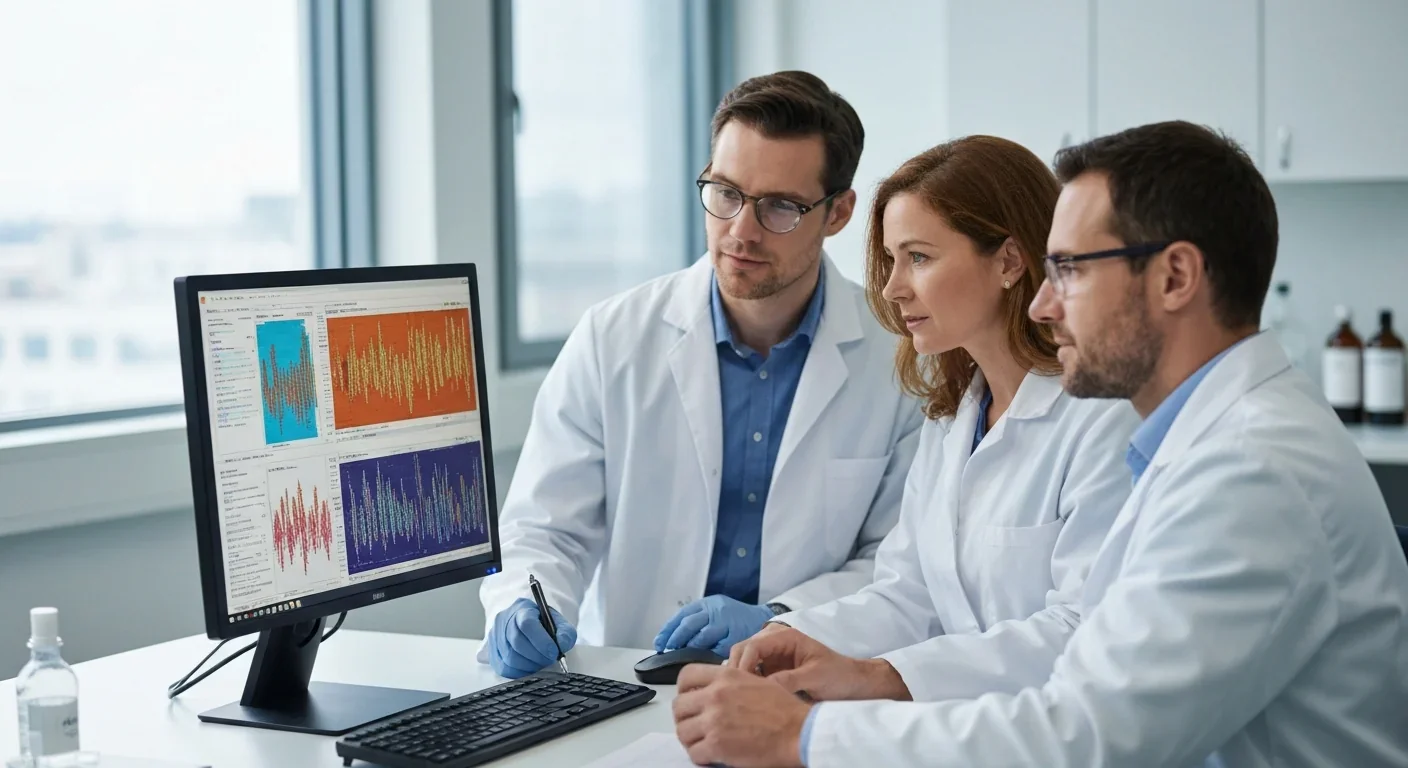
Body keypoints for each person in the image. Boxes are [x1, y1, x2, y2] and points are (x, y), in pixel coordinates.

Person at [671, 121, 1408, 768]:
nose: (1047, 304)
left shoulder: (1250, 472)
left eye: (1070, 271)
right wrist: (834, 658)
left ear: (1176, 276)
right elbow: (939, 602)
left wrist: (806, 738)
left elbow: (1089, 732)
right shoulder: (1201, 444)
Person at [476, 71, 924, 678]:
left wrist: (781, 618)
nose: (740, 229)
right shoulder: (613, 338)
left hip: (803, 688)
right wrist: (526, 609)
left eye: (780, 208)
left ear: (838, 212)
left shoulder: (901, 359)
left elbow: (898, 563)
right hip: (634, 681)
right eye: (726, 193)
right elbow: (545, 528)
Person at [730, 135, 1138, 706]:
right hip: (966, 734)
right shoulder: (952, 420)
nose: (894, 289)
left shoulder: (1101, 418)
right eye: (892, 260)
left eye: (918, 257)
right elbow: (909, 593)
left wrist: (884, 678)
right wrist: (789, 635)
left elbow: (1083, 626)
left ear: (1009, 261)